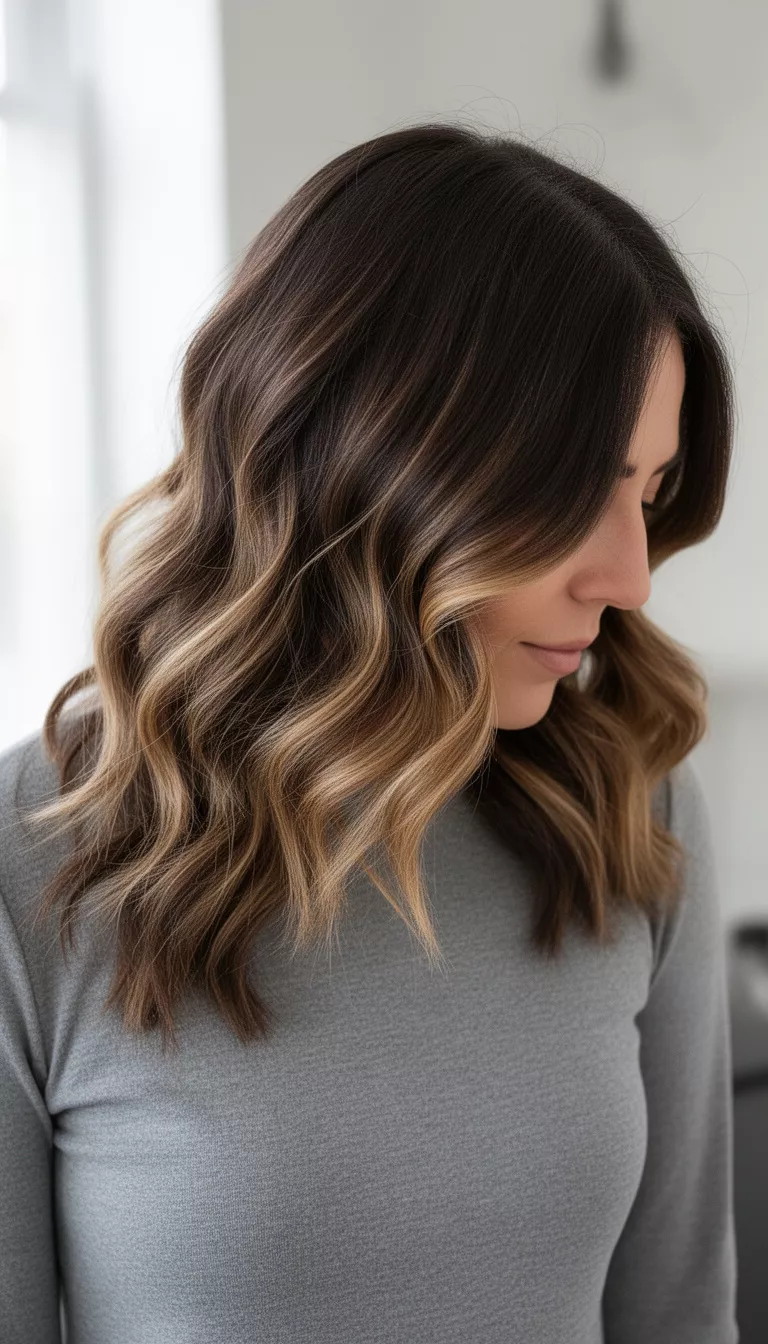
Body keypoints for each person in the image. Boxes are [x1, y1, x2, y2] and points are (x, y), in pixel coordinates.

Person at [0, 121, 739, 1343]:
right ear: (372, 459)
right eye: (572, 490)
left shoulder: (632, 811)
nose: (630, 575)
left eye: (649, 496)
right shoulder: (34, 876)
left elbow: (680, 1317)